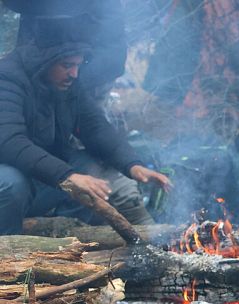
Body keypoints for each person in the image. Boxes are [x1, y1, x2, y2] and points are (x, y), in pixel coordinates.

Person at [0, 15, 170, 235]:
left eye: (78, 65)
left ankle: (61, 241)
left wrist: (132, 164)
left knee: (92, 174)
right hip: (9, 173)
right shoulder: (7, 79)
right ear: (44, 61)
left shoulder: (66, 83)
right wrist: (67, 177)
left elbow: (94, 125)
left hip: (36, 171)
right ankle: (8, 254)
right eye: (67, 66)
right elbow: (10, 141)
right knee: (12, 184)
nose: (74, 74)